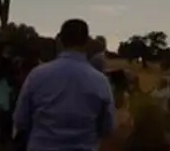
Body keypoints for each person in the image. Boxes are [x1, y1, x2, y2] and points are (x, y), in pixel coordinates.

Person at [13, 18, 114, 151]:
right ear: (87, 42)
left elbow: (21, 120)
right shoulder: (100, 81)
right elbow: (107, 128)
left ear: (60, 40)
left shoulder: (37, 75)